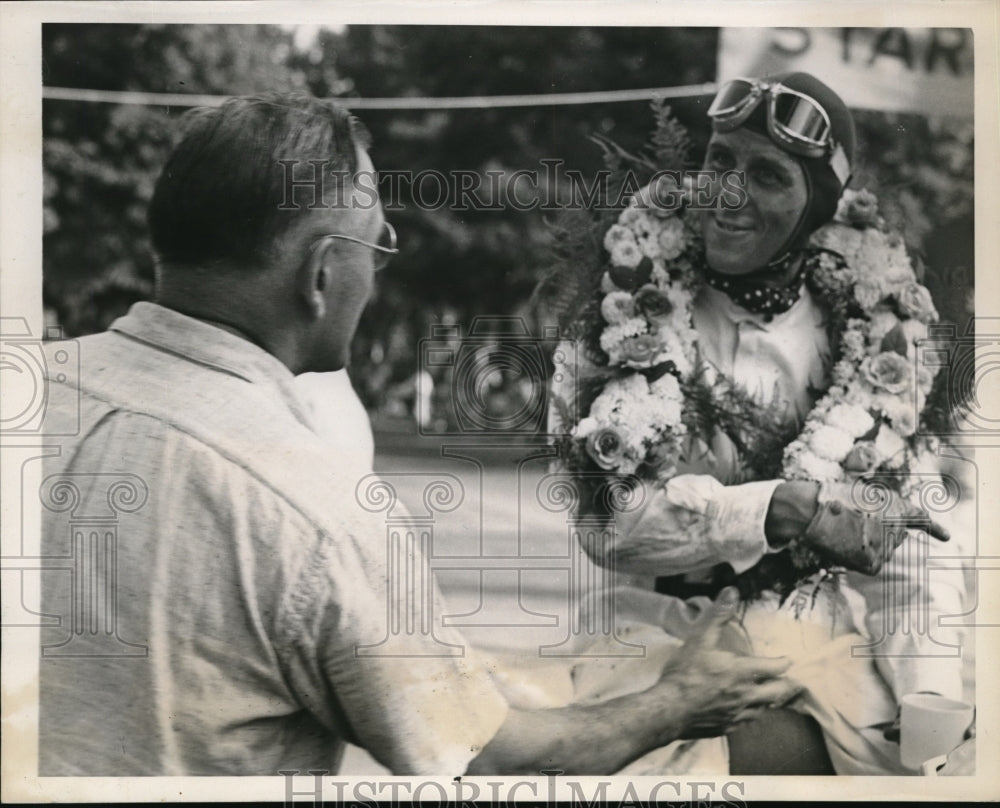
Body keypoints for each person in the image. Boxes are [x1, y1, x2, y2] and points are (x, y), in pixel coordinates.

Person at [37, 92, 800, 776]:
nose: (381, 276)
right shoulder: (315, 502)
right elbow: (485, 758)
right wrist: (681, 701)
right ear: (320, 275)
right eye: (378, 245)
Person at [551, 73, 968, 774]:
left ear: (819, 206)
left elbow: (909, 551)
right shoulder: (619, 310)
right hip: (650, 638)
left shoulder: (879, 333)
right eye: (720, 162)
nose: (730, 193)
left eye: (768, 175)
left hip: (822, 647)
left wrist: (931, 696)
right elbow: (609, 527)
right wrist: (783, 512)